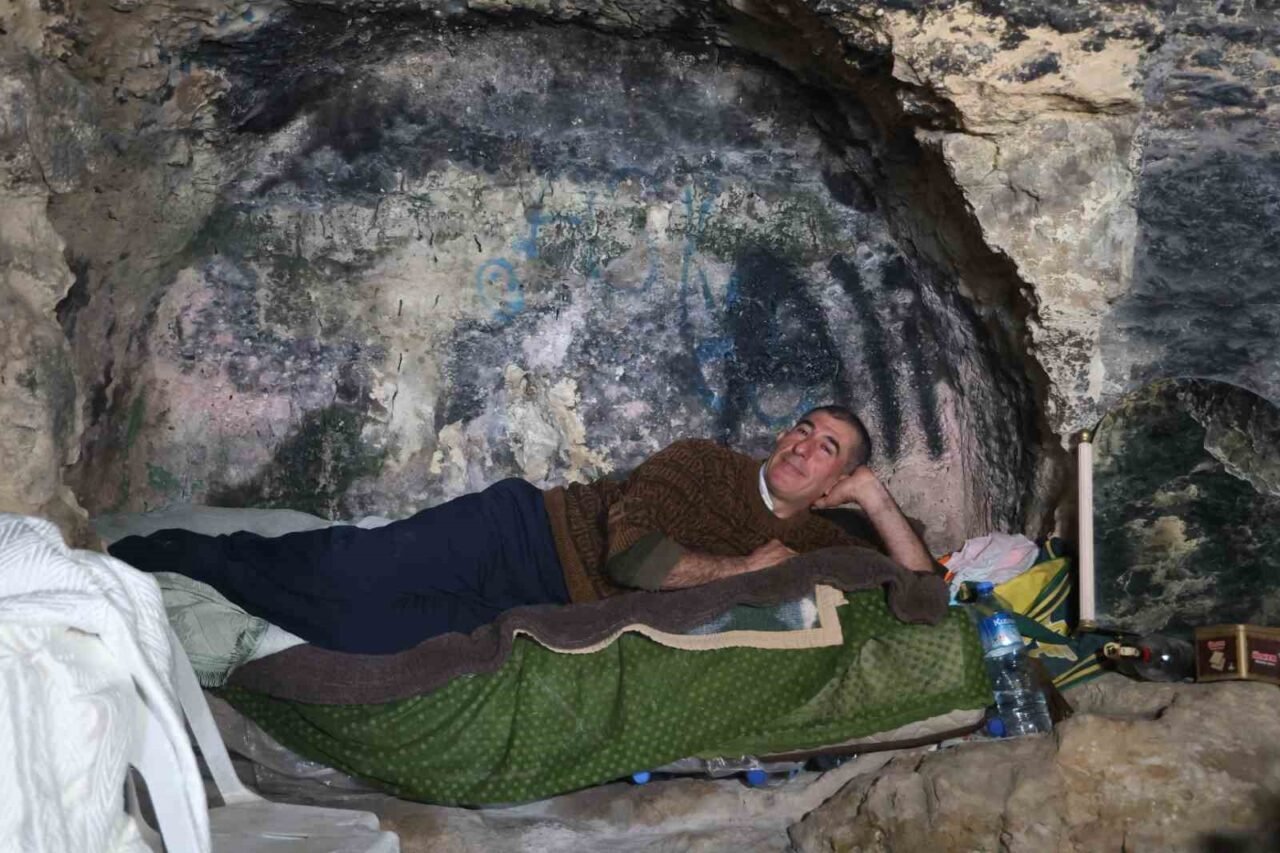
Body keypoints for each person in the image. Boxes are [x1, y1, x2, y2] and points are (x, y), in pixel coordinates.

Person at [109, 404, 936, 654]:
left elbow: (930, 597)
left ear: (835, 482)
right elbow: (633, 557)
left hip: (542, 609)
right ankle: (162, 554)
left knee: (356, 630)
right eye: (802, 428)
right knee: (346, 566)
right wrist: (741, 569)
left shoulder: (825, 540)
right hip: (520, 532)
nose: (802, 446)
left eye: (828, 450)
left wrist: (874, 500)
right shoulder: (702, 462)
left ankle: (219, 593)